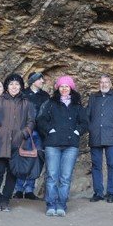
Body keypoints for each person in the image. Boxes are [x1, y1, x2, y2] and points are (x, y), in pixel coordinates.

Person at [36, 75, 88, 216]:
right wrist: (50, 130)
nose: (64, 89)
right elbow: (41, 120)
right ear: (58, 88)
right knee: (52, 176)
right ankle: (51, 204)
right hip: (53, 144)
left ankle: (61, 204)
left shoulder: (77, 106)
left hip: (71, 145)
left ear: (71, 88)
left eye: (67, 86)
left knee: (65, 177)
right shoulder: (51, 103)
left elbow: (84, 122)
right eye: (61, 86)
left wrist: (77, 131)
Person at [0, 73, 35, 212]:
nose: (14, 86)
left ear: (21, 87)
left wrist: (24, 133)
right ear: (7, 86)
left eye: (17, 84)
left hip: (17, 142)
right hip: (1, 141)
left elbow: (31, 121)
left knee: (13, 173)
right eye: (11, 84)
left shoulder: (26, 103)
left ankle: (6, 200)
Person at [87, 74, 113, 203]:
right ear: (99, 84)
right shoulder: (93, 97)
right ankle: (98, 192)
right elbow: (87, 114)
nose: (104, 85)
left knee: (112, 165)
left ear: (110, 84)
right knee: (96, 165)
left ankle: (111, 193)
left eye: (106, 82)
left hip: (112, 136)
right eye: (101, 82)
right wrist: (91, 128)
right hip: (96, 136)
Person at [15, 72, 50, 199]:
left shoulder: (45, 96)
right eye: (40, 79)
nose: (42, 81)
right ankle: (18, 189)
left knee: (36, 160)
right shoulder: (23, 94)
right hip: (25, 132)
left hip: (40, 133)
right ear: (33, 81)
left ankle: (29, 189)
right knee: (22, 158)